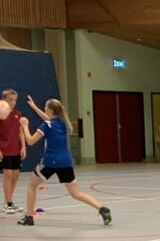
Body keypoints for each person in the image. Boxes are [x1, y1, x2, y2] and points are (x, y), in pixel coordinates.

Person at [15, 96, 111, 226]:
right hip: (66, 161)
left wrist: (24, 126)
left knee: (32, 185)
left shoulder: (47, 125)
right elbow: (48, 119)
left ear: (48, 109)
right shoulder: (63, 123)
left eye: (45, 107)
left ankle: (29, 217)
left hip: (50, 162)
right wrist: (34, 107)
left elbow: (30, 141)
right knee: (75, 193)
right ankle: (101, 208)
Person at [0, 88, 27, 214]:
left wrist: (23, 146)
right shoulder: (1, 115)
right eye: (10, 100)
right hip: (4, 149)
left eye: (14, 100)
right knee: (8, 175)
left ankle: (10, 201)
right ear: (4, 100)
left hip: (15, 148)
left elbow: (20, 131)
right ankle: (7, 203)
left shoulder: (17, 114)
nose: (12, 102)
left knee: (15, 175)